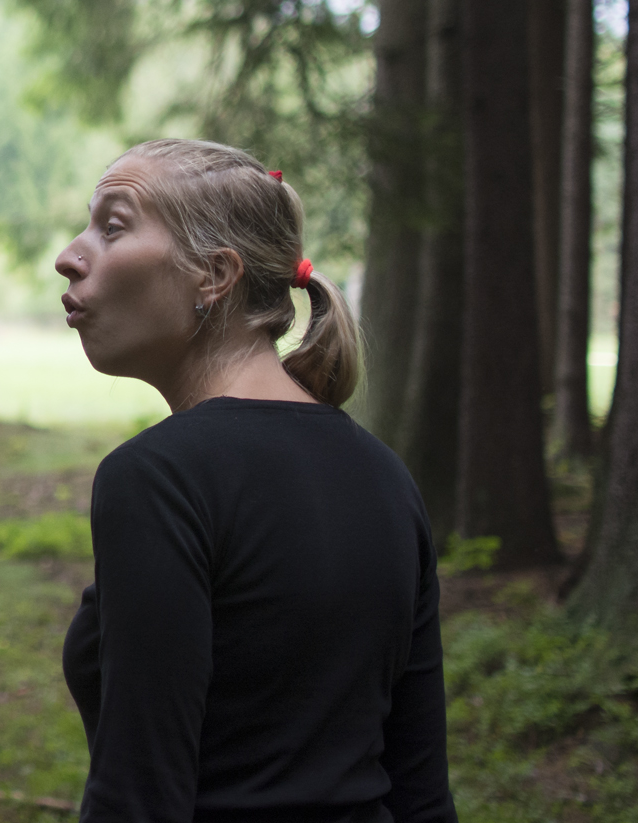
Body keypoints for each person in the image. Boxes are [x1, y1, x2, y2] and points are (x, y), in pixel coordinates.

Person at [55, 139, 456, 823]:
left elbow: (139, 797)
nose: (69, 255)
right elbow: (422, 794)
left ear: (214, 274)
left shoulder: (159, 479)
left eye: (112, 226)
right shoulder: (385, 474)